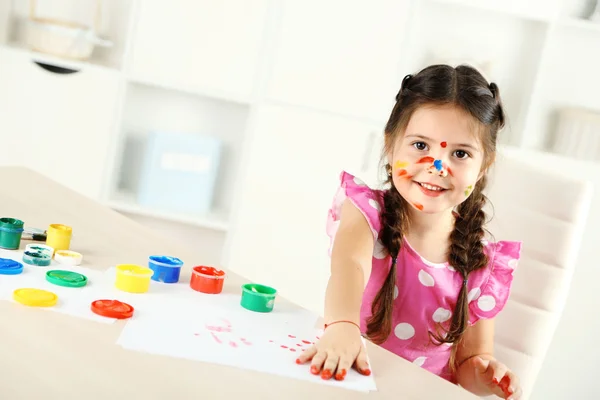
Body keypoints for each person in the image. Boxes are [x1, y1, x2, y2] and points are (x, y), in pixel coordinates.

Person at [296, 64, 523, 400]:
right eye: (420, 146)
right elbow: (349, 266)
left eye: (460, 154)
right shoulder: (365, 213)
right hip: (343, 382)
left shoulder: (479, 262)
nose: (437, 167)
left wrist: (485, 376)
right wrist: (342, 327)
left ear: (483, 165)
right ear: (391, 145)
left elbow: (469, 363)